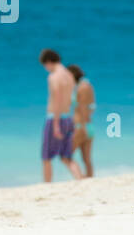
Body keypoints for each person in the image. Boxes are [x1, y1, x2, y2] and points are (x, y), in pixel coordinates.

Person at [39, 49, 82, 182]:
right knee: (66, 156)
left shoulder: (53, 77)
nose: (46, 69)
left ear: (48, 62)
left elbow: (56, 99)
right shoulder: (69, 76)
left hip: (55, 119)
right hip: (68, 117)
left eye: (45, 66)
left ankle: (47, 185)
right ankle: (81, 180)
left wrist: (56, 124)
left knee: (46, 157)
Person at [67, 64, 96, 177]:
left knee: (66, 155)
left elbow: (83, 108)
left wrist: (82, 127)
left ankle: (80, 178)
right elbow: (90, 107)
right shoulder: (85, 85)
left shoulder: (82, 87)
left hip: (81, 126)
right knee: (86, 159)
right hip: (88, 126)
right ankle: (89, 180)